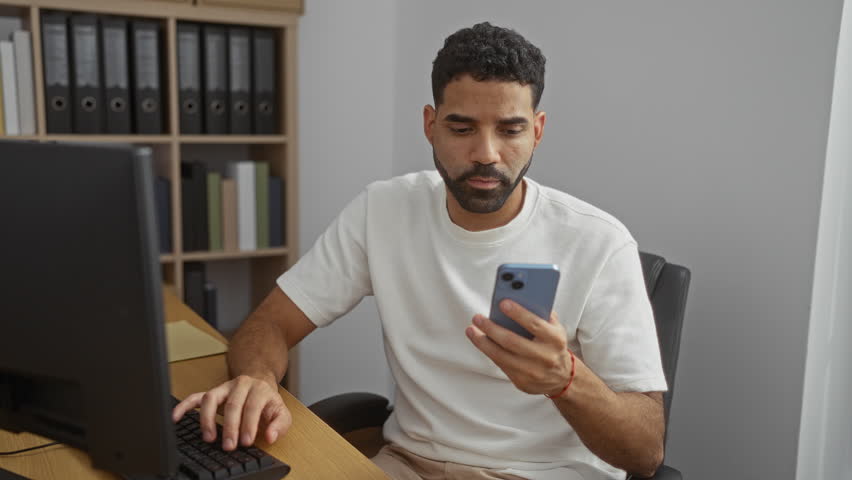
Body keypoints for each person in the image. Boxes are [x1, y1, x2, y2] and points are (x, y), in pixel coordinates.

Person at [172, 22, 668, 480]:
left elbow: (646, 452)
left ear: (537, 130)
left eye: (510, 130)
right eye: (461, 128)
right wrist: (258, 379)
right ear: (430, 125)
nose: (487, 153)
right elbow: (270, 324)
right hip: (408, 465)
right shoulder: (384, 209)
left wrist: (566, 380)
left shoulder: (598, 241)